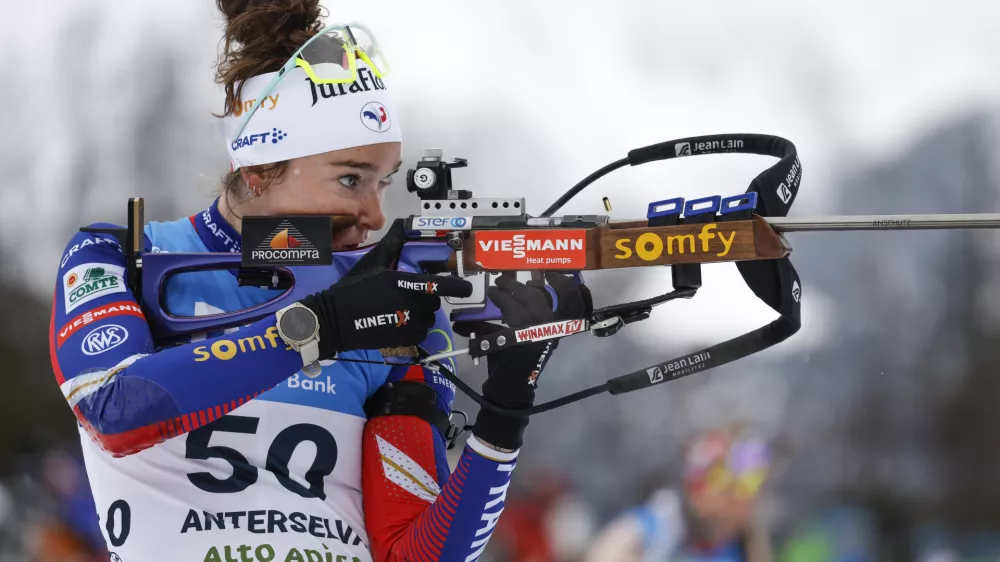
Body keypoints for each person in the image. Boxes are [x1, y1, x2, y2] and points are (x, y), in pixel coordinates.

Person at [48, 1, 592, 561]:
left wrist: (506, 409)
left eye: (384, 183)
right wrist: (321, 327)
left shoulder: (390, 306)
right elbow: (112, 406)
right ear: (259, 170)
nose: (376, 215)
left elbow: (415, 555)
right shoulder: (123, 254)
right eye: (350, 179)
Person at [585, 426, 774, 562]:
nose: (739, 498)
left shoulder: (749, 547)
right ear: (697, 490)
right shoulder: (647, 530)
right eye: (723, 482)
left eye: (750, 485)